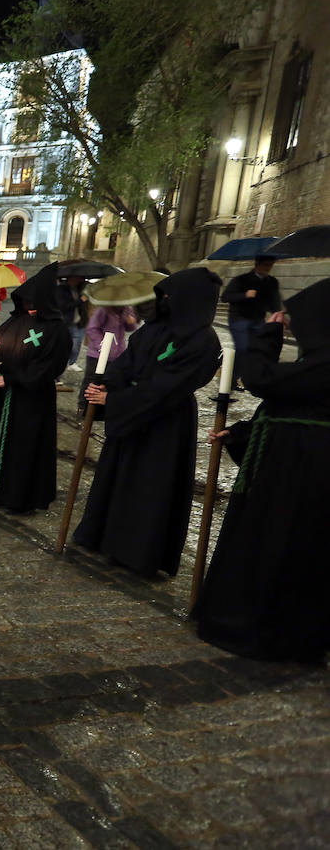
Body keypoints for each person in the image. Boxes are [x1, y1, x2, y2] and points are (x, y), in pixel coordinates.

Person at [195, 279, 330, 662]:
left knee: (282, 546)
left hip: (301, 478)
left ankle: (266, 631)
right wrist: (242, 435)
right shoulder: (315, 364)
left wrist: (266, 337)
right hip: (291, 466)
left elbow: (261, 380)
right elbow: (288, 409)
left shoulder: (325, 364)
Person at [72, 268, 223, 574]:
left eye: (168, 295)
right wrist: (107, 386)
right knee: (120, 479)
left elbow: (168, 388)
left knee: (151, 488)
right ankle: (107, 540)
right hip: (132, 419)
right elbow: (124, 364)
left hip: (166, 424)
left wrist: (116, 401)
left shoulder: (203, 341)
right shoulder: (152, 329)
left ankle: (138, 553)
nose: (163, 300)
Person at [0, 262, 72, 512]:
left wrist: (12, 380)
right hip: (6, 393)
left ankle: (22, 496)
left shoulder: (56, 330)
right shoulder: (15, 321)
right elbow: (0, 347)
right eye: (26, 303)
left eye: (34, 303)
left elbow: (49, 366)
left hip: (32, 398)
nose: (29, 309)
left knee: (25, 448)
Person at [220, 254, 281, 389]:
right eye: (265, 265)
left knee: (257, 349)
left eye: (270, 265)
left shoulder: (271, 282)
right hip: (239, 318)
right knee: (242, 348)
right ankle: (231, 379)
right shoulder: (241, 280)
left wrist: (278, 313)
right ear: (257, 265)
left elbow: (274, 300)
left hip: (258, 319)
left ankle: (249, 378)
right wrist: (244, 295)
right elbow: (225, 297)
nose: (268, 268)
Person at [76, 302, 137, 414]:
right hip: (98, 354)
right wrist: (102, 345)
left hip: (117, 354)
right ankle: (83, 406)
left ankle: (101, 408)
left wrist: (131, 322)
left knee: (110, 380)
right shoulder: (104, 310)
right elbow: (92, 328)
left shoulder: (126, 310)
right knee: (91, 380)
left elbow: (130, 328)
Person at [56, 275, 88, 376]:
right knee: (65, 346)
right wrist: (80, 300)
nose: (79, 280)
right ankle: (60, 366)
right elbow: (64, 306)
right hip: (66, 322)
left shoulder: (79, 289)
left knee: (77, 344)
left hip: (78, 322)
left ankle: (72, 362)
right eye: (77, 278)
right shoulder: (61, 290)